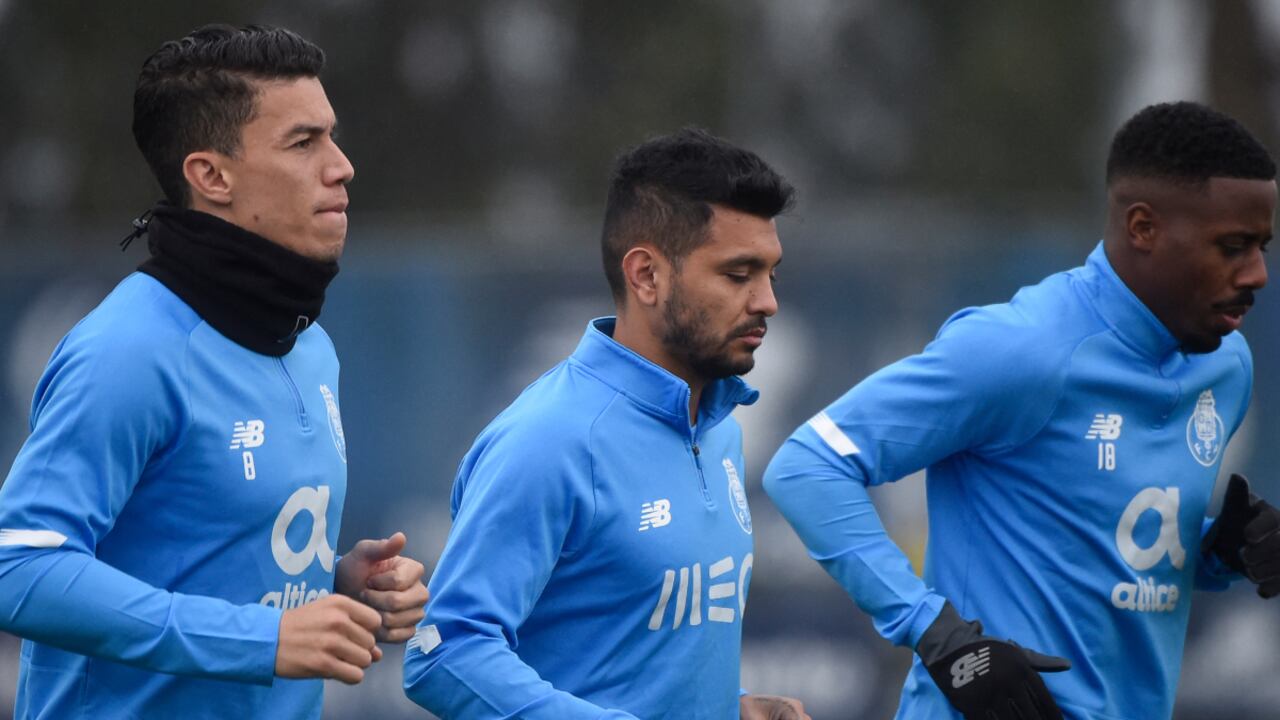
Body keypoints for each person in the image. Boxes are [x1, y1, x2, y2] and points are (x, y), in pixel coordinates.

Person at [763, 100, 1280, 720]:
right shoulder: (1023, 349)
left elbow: (1116, 560)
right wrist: (941, 636)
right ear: (1143, 228)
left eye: (1263, 246)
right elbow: (807, 466)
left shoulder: (1226, 367)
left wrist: (1218, 554)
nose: (1258, 274)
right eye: (1233, 246)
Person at [0, 24, 428, 718]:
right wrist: (262, 637)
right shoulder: (128, 350)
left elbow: (199, 555)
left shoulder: (311, 345)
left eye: (332, 135)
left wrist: (337, 586)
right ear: (211, 176)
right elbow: (19, 567)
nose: (341, 165)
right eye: (303, 142)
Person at [403, 128, 808, 719]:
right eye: (738, 273)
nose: (767, 300)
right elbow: (444, 651)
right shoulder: (550, 439)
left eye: (771, 273)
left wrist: (735, 708)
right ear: (646, 276)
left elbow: (631, 660)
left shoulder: (719, 425)